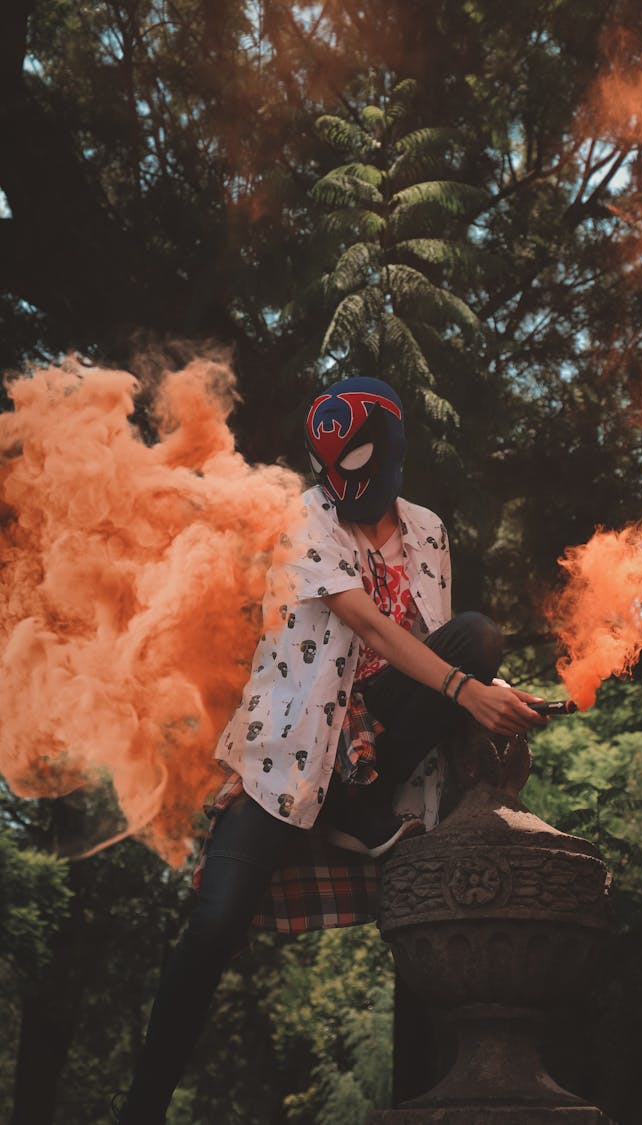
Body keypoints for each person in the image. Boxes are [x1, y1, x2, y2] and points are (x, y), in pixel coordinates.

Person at [114, 376, 544, 1124]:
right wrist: (467, 692)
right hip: (295, 756)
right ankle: (139, 1111)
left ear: (395, 453)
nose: (347, 484)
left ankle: (416, 1110)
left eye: (361, 465)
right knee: (213, 927)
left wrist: (488, 692)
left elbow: (425, 648)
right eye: (334, 467)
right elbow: (371, 626)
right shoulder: (306, 517)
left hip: (393, 759)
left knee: (475, 636)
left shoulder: (430, 532)